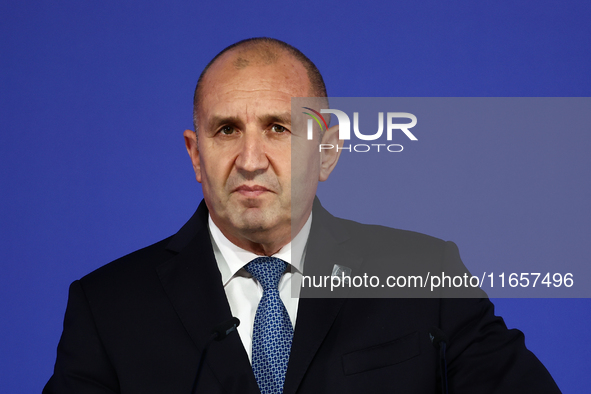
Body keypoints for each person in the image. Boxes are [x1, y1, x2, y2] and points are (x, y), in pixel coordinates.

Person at [44, 37, 561, 394]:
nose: (250, 160)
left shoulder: (424, 276)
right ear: (195, 155)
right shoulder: (108, 307)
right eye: (226, 130)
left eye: (278, 128)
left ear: (328, 151)